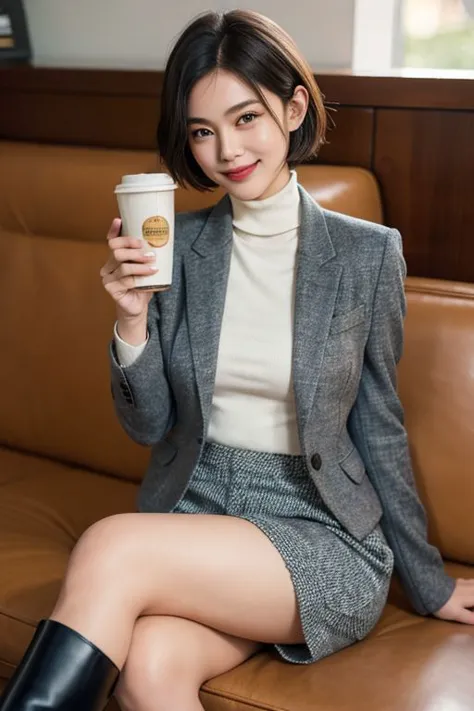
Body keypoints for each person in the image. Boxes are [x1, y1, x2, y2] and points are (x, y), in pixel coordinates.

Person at [2, 8, 474, 711]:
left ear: (292, 108)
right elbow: (149, 424)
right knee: (150, 666)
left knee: (109, 546)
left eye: (246, 117)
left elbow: (379, 423)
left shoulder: (367, 253)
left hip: (318, 528)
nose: (226, 149)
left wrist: (429, 583)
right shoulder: (178, 247)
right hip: (198, 510)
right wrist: (132, 319)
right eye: (201, 131)